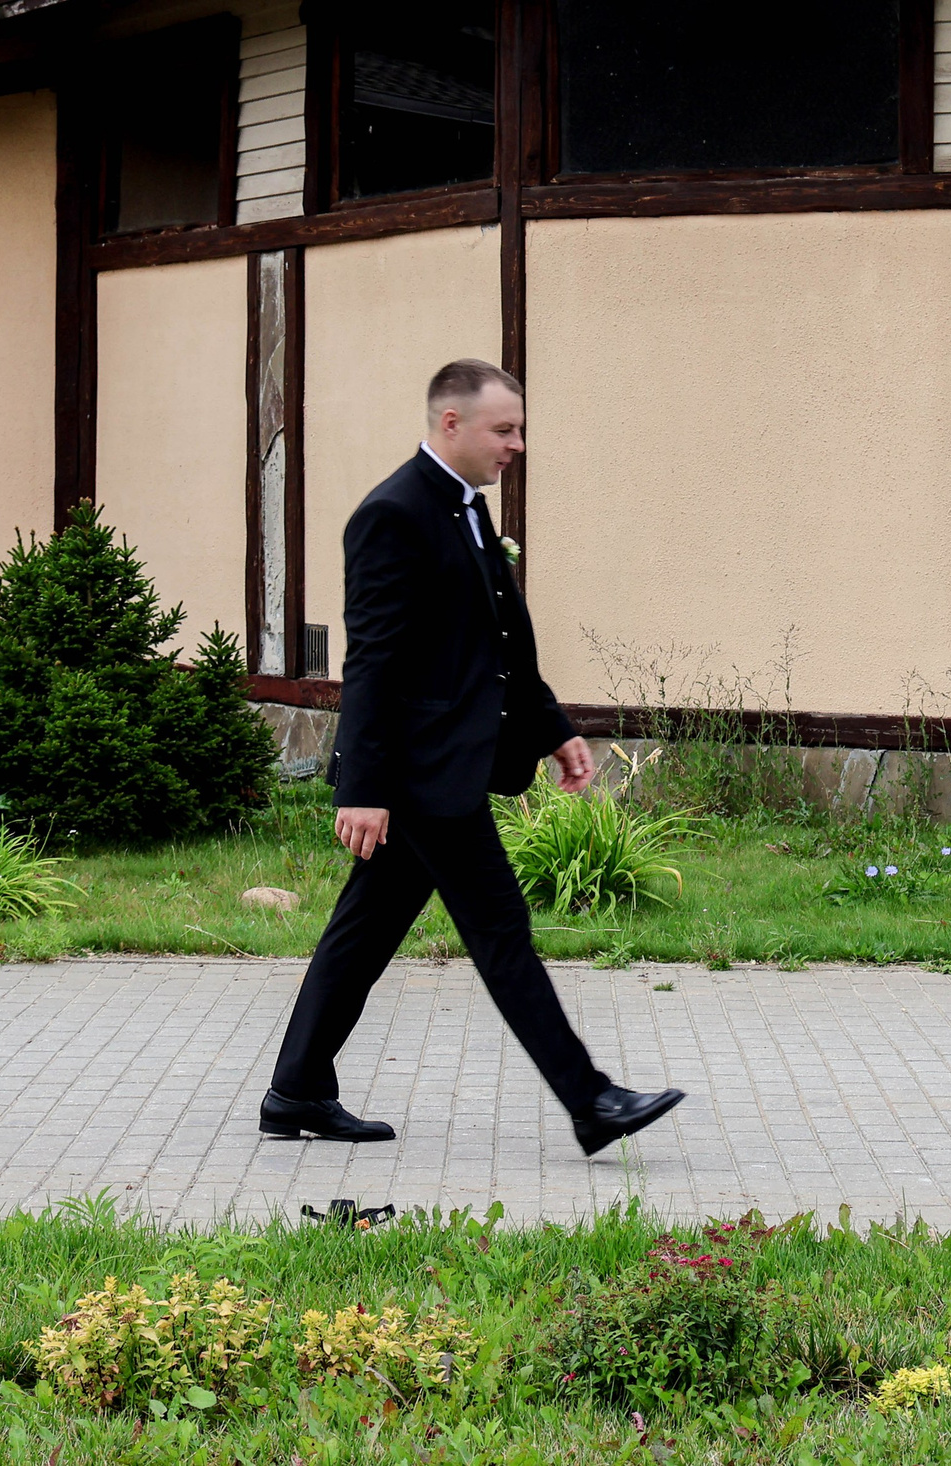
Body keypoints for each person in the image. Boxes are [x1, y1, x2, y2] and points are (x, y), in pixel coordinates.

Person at [261, 358, 683, 1157]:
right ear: (450, 423)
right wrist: (364, 785)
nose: (516, 444)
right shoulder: (393, 514)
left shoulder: (467, 511)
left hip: (443, 767)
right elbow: (375, 661)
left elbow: (500, 646)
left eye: (519, 429)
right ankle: (592, 1101)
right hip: (422, 777)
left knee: (363, 930)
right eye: (504, 429)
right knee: (500, 929)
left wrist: (553, 728)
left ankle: (296, 1090)